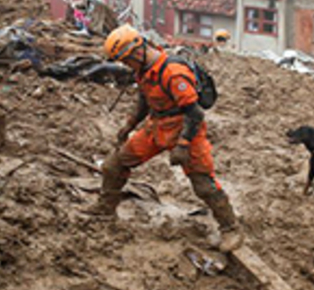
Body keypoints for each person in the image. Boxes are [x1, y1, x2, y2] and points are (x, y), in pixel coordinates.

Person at [89, 25, 243, 251]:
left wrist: (183, 145)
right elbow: (145, 99)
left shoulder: (173, 72)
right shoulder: (143, 70)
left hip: (185, 127)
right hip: (156, 125)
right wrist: (129, 125)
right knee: (114, 165)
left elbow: (195, 113)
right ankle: (105, 210)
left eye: (126, 60)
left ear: (137, 51)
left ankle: (231, 228)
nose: (125, 66)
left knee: (203, 184)